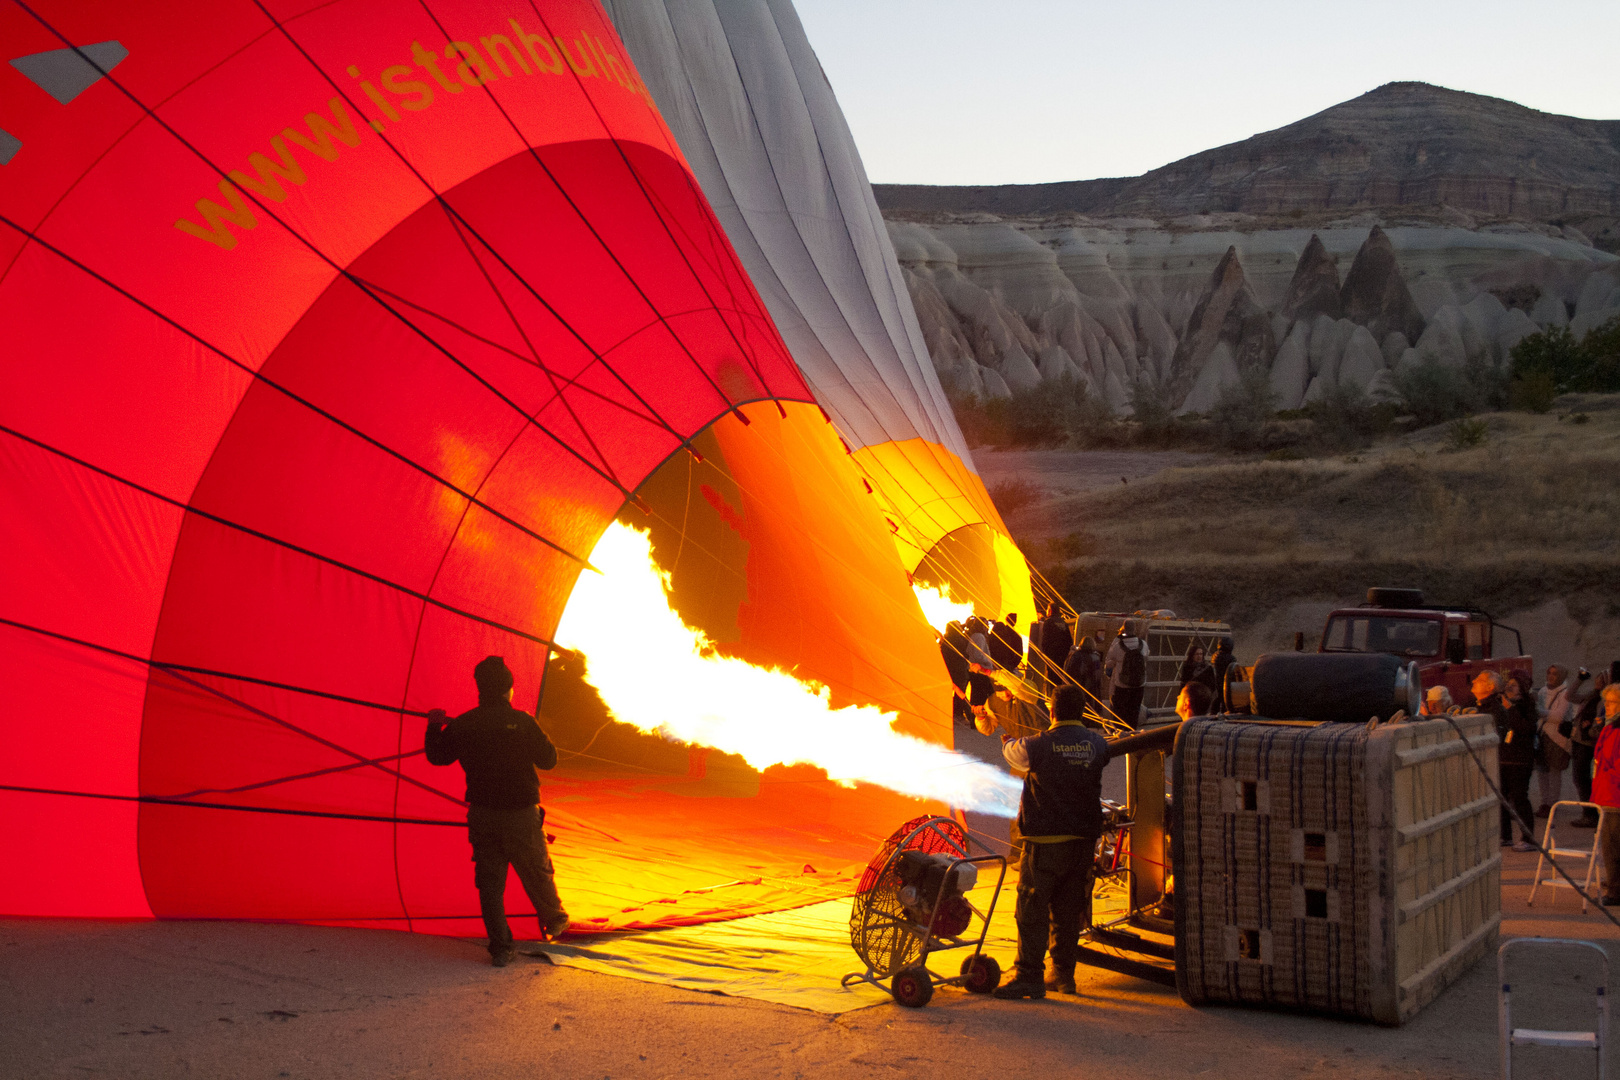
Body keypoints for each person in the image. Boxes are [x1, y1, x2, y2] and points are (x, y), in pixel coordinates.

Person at [425, 655, 570, 966]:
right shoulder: (522, 722)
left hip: (483, 814)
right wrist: (532, 730)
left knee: (490, 884)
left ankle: (501, 948)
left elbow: (437, 757)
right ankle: (555, 919)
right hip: (520, 814)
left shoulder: (464, 723)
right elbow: (549, 760)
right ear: (509, 689)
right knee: (536, 869)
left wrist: (434, 725)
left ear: (479, 688)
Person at [993, 685, 1111, 999]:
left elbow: (1013, 754)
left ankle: (1030, 976)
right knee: (1068, 911)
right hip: (1082, 843)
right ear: (1082, 711)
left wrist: (1006, 741)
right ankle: (1063, 976)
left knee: (1032, 910)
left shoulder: (1038, 745)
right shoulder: (1097, 744)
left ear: (1053, 712)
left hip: (1045, 843)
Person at [1475, 670, 1535, 851]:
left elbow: (1526, 728)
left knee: (1519, 798)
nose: (1509, 686)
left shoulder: (1526, 705)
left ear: (1522, 688)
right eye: (1508, 684)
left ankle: (1528, 837)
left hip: (1519, 759)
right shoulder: (1499, 704)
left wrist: (1510, 709)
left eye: (1514, 684)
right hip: (1502, 757)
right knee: (1501, 798)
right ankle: (1505, 835)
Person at [1590, 683, 1620, 905]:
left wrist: (1607, 777)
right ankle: (1614, 883)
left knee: (1612, 845)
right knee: (1610, 844)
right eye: (1606, 701)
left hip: (1614, 795)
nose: (1606, 706)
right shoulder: (1610, 727)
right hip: (1606, 792)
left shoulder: (1617, 730)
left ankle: (1616, 890)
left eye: (1611, 702)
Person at [1535, 665, 1574, 816]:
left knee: (1554, 772)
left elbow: (1559, 716)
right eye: (1549, 673)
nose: (1551, 676)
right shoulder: (1543, 691)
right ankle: (1545, 802)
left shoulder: (1566, 693)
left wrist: (1540, 712)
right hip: (1542, 735)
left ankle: (1553, 803)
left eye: (1555, 674)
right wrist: (1546, 715)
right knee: (1542, 771)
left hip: (1557, 738)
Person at [1570, 667, 1606, 827]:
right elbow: (1569, 696)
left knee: (1581, 778)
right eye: (1596, 678)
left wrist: (1591, 726)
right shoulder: (1591, 695)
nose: (1597, 681)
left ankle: (1590, 813)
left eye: (1601, 678)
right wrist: (1580, 679)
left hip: (1588, 741)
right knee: (1578, 777)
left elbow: (1600, 718)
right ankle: (1589, 811)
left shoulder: (1603, 699)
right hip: (1578, 739)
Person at [1104, 621, 1149, 729]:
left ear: (1123, 629)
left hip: (1121, 685)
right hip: (1139, 685)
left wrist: (1109, 674)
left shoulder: (1117, 645)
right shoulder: (1143, 644)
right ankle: (1132, 736)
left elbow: (1108, 663)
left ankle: (1120, 737)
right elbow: (1146, 658)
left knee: (1119, 715)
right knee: (1134, 714)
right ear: (1134, 629)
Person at [1031, 602, 1072, 697]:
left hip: (1052, 656)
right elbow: (1069, 640)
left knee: (1051, 679)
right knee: (1060, 678)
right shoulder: (1063, 623)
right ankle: (1060, 696)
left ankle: (1052, 697)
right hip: (1063, 657)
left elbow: (1045, 640)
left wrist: (1044, 654)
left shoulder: (1048, 622)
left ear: (1050, 610)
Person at [941, 620, 973, 728]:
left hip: (949, 669)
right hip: (959, 669)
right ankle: (958, 714)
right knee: (960, 693)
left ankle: (947, 712)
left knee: (947, 692)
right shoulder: (960, 639)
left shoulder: (946, 640)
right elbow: (967, 652)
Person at [1064, 631, 1106, 703]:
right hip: (1090, 688)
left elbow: (1068, 670)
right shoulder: (1095, 657)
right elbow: (1097, 674)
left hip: (1076, 686)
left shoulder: (1074, 656)